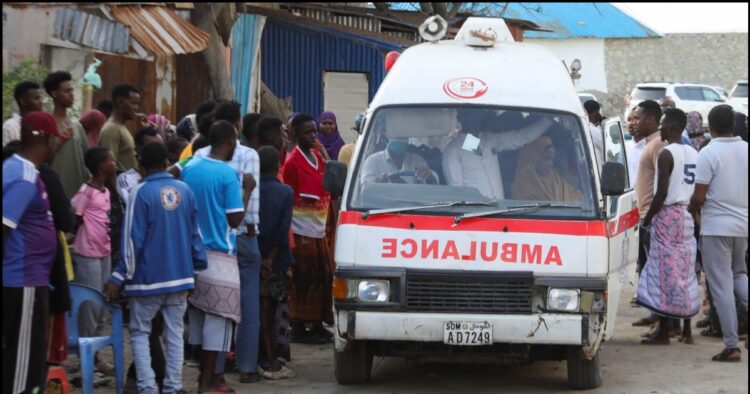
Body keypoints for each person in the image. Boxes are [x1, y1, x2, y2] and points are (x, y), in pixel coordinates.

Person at [104, 142, 207, 394]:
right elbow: (196, 235)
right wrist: (196, 268)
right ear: (166, 162)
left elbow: (131, 240)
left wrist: (118, 276)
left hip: (147, 278)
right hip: (180, 276)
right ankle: (172, 386)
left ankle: (148, 387)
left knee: (140, 332)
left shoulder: (140, 192)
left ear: (141, 165)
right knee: (174, 334)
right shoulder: (185, 191)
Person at [192, 100, 262, 384]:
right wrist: (246, 193)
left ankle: (213, 372)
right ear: (237, 128)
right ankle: (246, 368)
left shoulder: (196, 158)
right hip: (237, 238)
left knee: (207, 307)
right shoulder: (248, 156)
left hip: (198, 243)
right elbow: (245, 211)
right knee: (244, 307)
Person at [182, 120, 252, 393]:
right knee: (220, 322)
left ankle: (204, 378)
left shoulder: (190, 167)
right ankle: (208, 381)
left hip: (192, 253)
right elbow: (235, 220)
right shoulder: (226, 174)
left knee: (198, 320)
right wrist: (248, 191)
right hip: (220, 255)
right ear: (230, 142)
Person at [3, 111, 65, 394]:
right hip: (23, 279)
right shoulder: (25, 177)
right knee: (21, 364)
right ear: (47, 139)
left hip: (27, 277)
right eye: (56, 140)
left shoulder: (15, 167)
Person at [689, 104, 748, 362]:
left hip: (715, 228)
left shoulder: (709, 153)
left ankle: (732, 344)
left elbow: (699, 196)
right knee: (740, 275)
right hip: (742, 226)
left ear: (710, 127)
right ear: (733, 126)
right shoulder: (747, 149)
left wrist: (693, 208)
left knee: (721, 286)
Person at [636, 108, 700, 345]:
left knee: (663, 274)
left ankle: (663, 331)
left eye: (663, 124)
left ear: (672, 126)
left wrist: (647, 219)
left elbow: (661, 192)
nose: (660, 128)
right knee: (684, 272)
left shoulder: (667, 153)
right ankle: (687, 330)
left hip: (667, 217)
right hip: (685, 216)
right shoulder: (694, 153)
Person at [282, 114, 335, 344]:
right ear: (295, 135)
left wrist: (324, 155)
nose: (313, 136)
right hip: (302, 228)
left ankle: (315, 323)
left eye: (315, 132)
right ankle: (298, 324)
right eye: (308, 132)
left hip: (318, 225)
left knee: (321, 275)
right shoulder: (293, 161)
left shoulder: (315, 156)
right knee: (304, 277)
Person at [70, 147, 117, 373]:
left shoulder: (106, 191)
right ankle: (85, 359)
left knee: (101, 304)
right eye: (110, 160)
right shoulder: (85, 192)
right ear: (101, 166)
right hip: (87, 254)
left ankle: (94, 355)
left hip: (104, 253)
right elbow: (75, 218)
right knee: (88, 307)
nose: (114, 163)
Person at [442, 111, 554, 199]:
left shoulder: (491, 139)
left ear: (481, 116)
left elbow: (522, 137)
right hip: (474, 217)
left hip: (500, 213)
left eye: (475, 114)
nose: (472, 119)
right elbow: (457, 192)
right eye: (468, 115)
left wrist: (548, 120)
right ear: (459, 117)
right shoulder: (453, 151)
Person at [256, 146, 296, 380]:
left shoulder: (249, 189)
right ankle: (272, 362)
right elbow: (283, 230)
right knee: (271, 311)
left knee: (261, 310)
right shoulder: (285, 192)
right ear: (278, 166)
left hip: (255, 257)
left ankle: (264, 358)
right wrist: (271, 260)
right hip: (276, 260)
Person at [44, 71, 90, 199]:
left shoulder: (77, 127)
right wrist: (59, 142)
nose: (71, 95)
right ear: (54, 94)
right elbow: (43, 161)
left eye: (72, 91)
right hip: (55, 198)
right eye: (67, 91)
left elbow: (87, 161)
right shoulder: (46, 126)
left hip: (78, 199)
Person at [511, 136, 583, 202]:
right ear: (534, 157)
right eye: (547, 158)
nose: (551, 164)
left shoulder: (556, 178)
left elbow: (576, 197)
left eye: (552, 159)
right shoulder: (520, 187)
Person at [116, 128, 163, 208]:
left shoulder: (169, 177)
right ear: (137, 148)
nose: (157, 152)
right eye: (152, 147)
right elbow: (134, 205)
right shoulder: (126, 179)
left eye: (160, 147)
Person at [99, 84, 141, 172]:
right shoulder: (111, 129)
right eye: (133, 103)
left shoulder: (121, 127)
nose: (136, 108)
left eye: (137, 104)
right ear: (120, 103)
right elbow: (109, 166)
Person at [361, 137, 438, 185]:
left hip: (414, 208)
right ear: (387, 137)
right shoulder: (372, 161)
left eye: (404, 137)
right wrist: (378, 185)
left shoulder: (416, 159)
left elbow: (433, 183)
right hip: (383, 208)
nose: (401, 139)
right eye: (397, 137)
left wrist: (429, 176)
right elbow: (366, 191)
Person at [3, 81, 43, 147]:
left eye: (40, 98)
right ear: (23, 101)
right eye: (36, 98)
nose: (41, 102)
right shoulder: (10, 127)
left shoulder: (42, 124)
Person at [583, 99, 605, 172]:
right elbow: (605, 149)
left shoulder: (582, 126)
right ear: (595, 113)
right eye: (598, 112)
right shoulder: (594, 131)